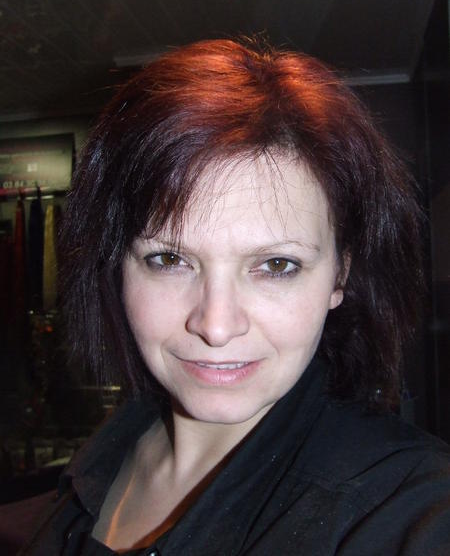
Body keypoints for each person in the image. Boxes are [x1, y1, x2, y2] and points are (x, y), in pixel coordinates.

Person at [14, 38, 450, 554]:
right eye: (169, 259)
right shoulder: (96, 465)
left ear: (340, 275)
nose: (216, 326)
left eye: (276, 265)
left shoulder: (407, 507)